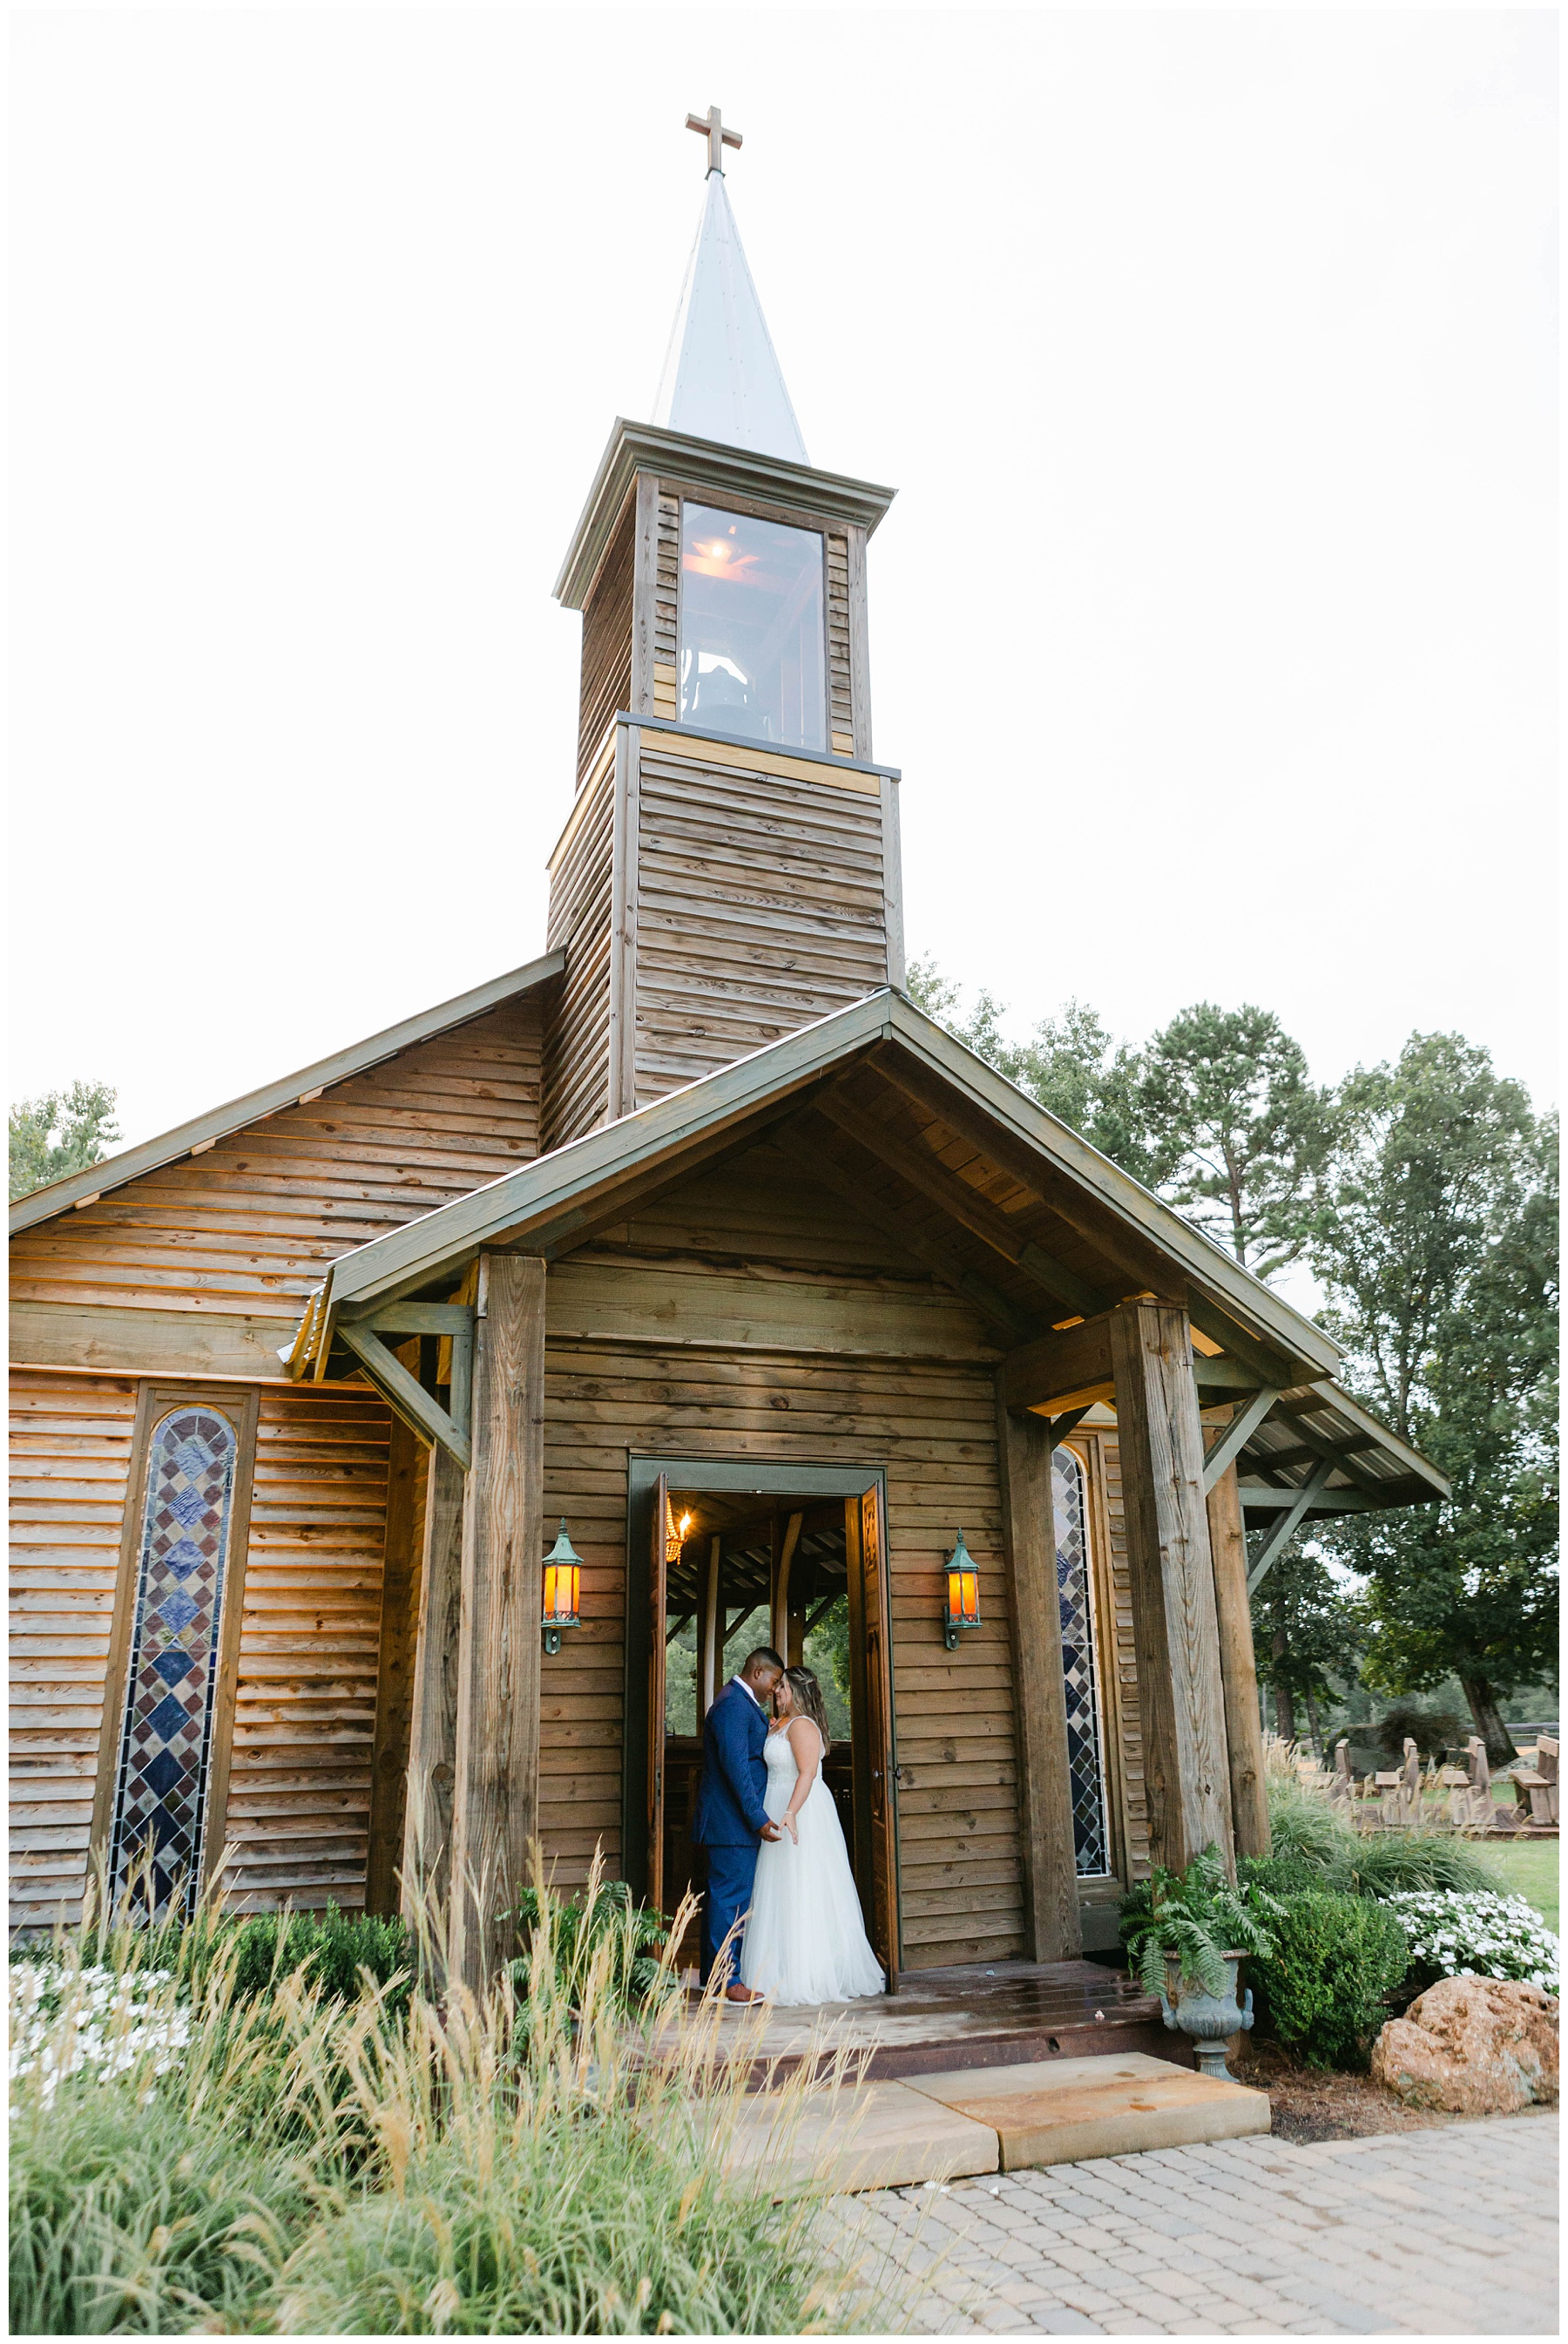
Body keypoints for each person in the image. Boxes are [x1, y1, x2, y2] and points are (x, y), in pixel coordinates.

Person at [740, 1664, 885, 2006]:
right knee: (778, 1890)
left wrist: (790, 1812)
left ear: (800, 1693)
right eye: (777, 1688)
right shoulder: (783, 1724)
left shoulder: (803, 1725)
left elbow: (806, 1773)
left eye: (784, 1688)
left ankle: (808, 1970)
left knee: (801, 1887)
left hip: (799, 1808)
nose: (777, 1693)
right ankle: (777, 1964)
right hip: (777, 1803)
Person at [691, 1644, 784, 1999]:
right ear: (757, 1672)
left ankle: (712, 1977)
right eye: (773, 1681)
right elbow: (736, 1770)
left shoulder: (738, 1704)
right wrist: (757, 1817)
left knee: (725, 1898)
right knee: (730, 1900)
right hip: (731, 1824)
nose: (774, 1690)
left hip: (730, 1823)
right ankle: (727, 1982)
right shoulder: (733, 1705)